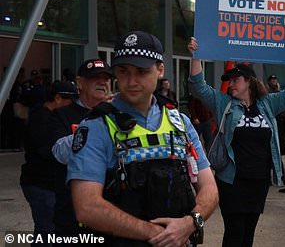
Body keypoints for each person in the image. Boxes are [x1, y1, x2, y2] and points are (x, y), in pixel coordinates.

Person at [68, 31, 218, 246]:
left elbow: (209, 188)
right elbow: (87, 207)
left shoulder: (180, 122)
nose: (131, 81)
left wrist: (190, 223)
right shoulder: (96, 126)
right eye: (122, 71)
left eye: (141, 71)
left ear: (160, 70)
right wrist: (160, 234)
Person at [188, 36, 285, 247]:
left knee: (249, 233)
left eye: (235, 80)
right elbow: (199, 88)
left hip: (259, 181)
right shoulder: (225, 103)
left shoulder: (267, 103)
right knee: (234, 233)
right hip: (232, 181)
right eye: (229, 80)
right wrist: (196, 56)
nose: (230, 84)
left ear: (248, 81)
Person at [48, 59, 113, 236]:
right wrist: (94, 124)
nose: (102, 82)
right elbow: (59, 152)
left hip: (112, 214)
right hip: (71, 215)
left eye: (106, 78)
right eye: (95, 78)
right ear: (80, 82)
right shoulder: (61, 114)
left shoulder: (117, 115)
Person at [20, 81, 76, 240]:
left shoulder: (49, 116)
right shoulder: (42, 118)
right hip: (40, 183)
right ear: (58, 98)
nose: (72, 105)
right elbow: (46, 150)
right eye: (70, 100)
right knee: (46, 230)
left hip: (47, 183)